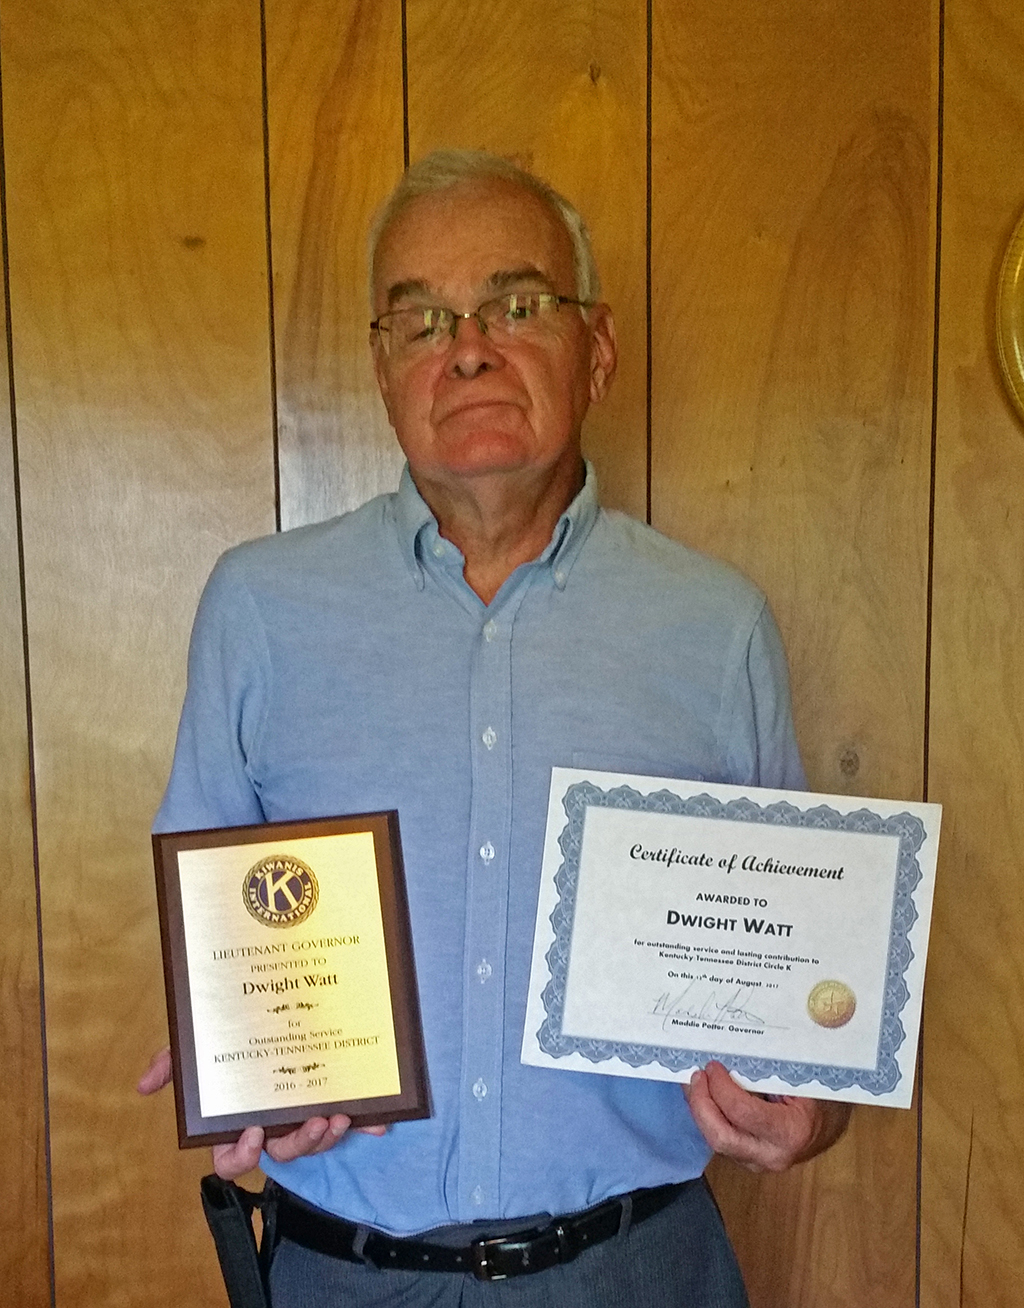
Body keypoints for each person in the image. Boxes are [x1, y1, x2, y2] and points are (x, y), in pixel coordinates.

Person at [139, 149, 850, 1306]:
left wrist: (808, 1112)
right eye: (418, 321)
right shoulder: (258, 609)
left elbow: (804, 986)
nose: (465, 347)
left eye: (516, 306)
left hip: (637, 1273)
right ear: (381, 371)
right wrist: (238, 1055)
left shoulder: (715, 628)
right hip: (345, 1277)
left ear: (597, 350)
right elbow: (216, 936)